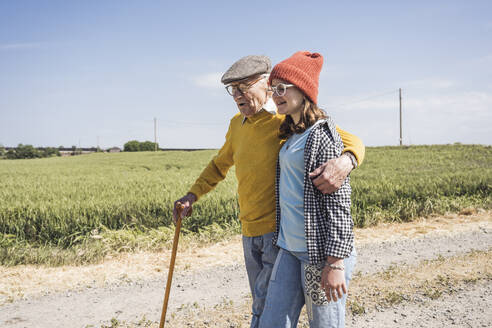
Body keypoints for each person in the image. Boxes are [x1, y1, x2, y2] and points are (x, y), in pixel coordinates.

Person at [173, 55, 364, 328]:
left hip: (280, 234)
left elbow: (350, 140)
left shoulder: (286, 121)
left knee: (271, 312)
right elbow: (219, 165)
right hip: (252, 233)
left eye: (243, 87)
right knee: (264, 306)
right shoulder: (236, 125)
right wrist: (192, 195)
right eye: (233, 90)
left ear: (266, 85)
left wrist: (346, 161)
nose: (237, 95)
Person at [258, 51, 356, 328]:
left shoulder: (321, 135)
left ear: (303, 91)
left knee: (323, 325)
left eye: (281, 88)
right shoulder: (292, 133)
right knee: (272, 322)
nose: (275, 95)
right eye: (271, 88)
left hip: (320, 254)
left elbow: (338, 203)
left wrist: (335, 263)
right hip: (289, 249)